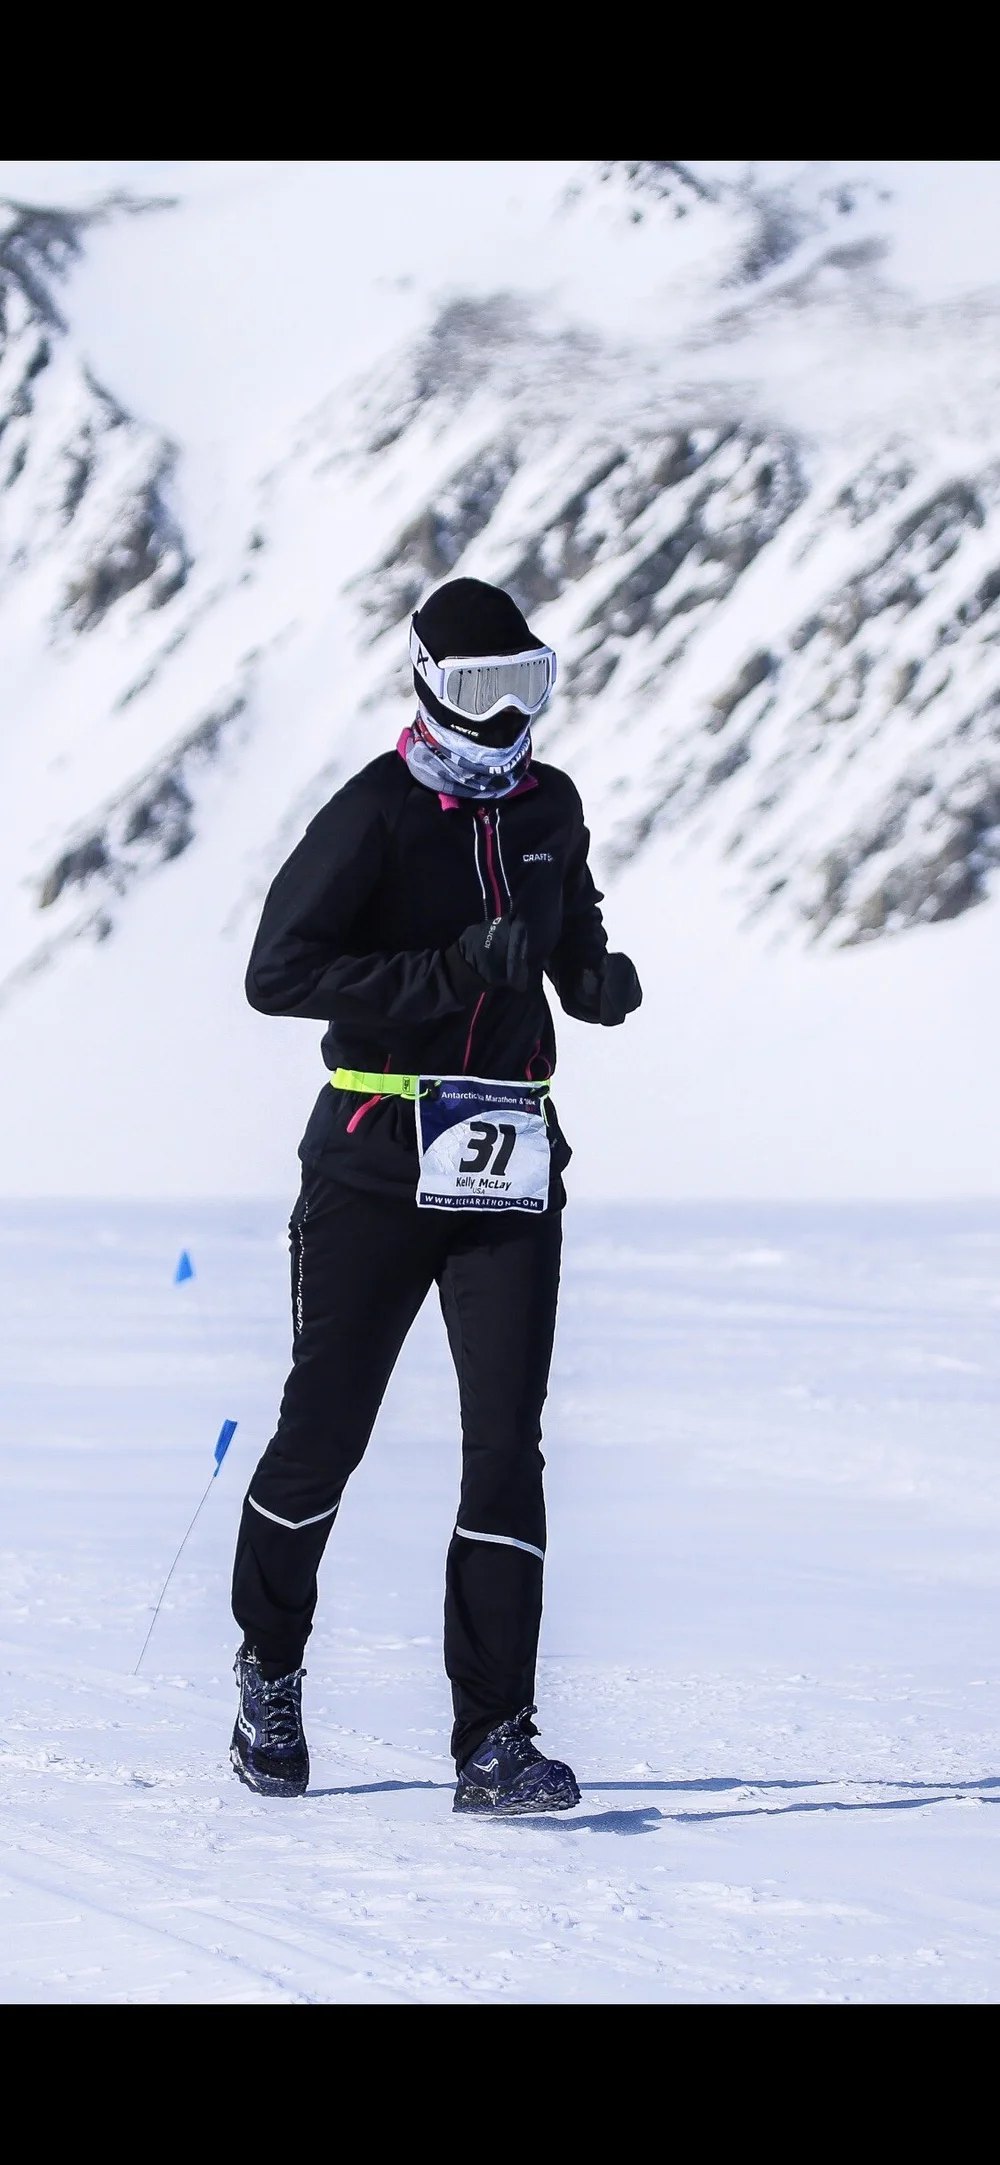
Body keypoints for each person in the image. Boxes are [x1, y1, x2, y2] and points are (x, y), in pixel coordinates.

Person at [230, 577, 642, 1813]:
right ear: (423, 684)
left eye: (525, 684)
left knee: (506, 1444)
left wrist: (590, 976)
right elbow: (277, 973)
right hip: (372, 1154)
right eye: (479, 688)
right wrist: (446, 970)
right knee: (326, 1431)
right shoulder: (374, 810)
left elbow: (568, 919)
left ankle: (494, 1739)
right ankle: (269, 1669)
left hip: (508, 1154)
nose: (506, 713)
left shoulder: (550, 805)